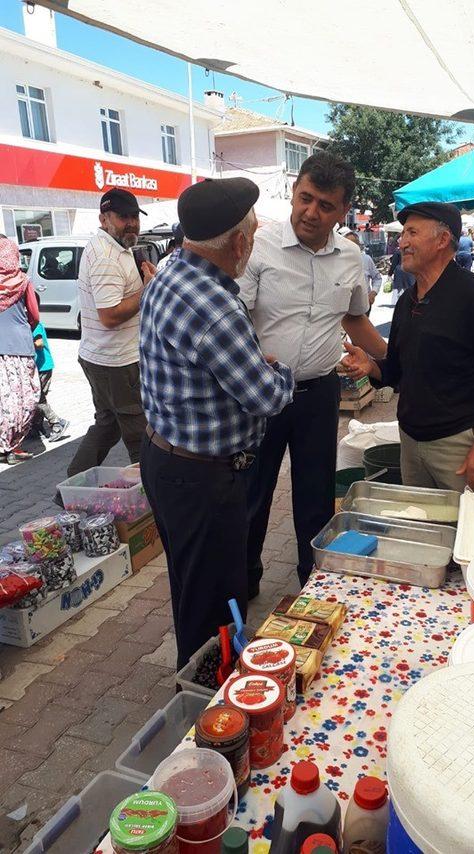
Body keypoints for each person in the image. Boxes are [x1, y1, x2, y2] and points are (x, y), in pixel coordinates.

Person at [139, 178, 294, 668]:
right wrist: (279, 371)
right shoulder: (216, 306)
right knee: (215, 608)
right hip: (203, 479)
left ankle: (196, 684)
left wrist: (250, 364)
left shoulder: (168, 273)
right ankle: (211, 714)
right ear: (240, 243)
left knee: (192, 587)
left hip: (166, 460)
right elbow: (266, 397)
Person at [238, 151, 387, 591]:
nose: (311, 212)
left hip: (320, 394)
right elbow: (237, 315)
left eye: (325, 205)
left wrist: (396, 360)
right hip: (260, 394)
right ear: (294, 192)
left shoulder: (350, 257)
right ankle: (244, 582)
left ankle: (315, 582)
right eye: (305, 198)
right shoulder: (258, 247)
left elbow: (356, 319)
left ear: (343, 211)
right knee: (252, 493)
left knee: (316, 496)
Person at [341, 202, 474, 493]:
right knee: (425, 525)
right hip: (411, 443)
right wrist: (371, 366)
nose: (402, 242)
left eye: (412, 232)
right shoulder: (407, 301)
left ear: (442, 240)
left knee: (470, 530)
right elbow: (399, 370)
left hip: (459, 445)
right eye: (403, 234)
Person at [67, 188, 154, 478]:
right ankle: (150, 505)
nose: (131, 223)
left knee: (107, 425)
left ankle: (70, 487)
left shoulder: (115, 246)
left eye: (134, 217)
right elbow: (110, 315)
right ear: (104, 219)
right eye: (122, 217)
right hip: (116, 362)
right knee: (140, 436)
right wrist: (148, 291)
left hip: (101, 357)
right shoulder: (107, 255)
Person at [0, 237, 40, 465]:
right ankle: (14, 446)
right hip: (19, 346)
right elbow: (34, 315)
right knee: (23, 397)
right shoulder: (22, 281)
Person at [31, 321, 70, 441]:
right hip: (38, 367)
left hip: (43, 367)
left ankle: (57, 422)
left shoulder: (34, 324)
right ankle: (37, 427)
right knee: (38, 398)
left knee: (37, 398)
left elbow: (39, 343)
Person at [339, 227, 382, 312]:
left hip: (364, 303)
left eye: (354, 244)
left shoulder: (366, 259)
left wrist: (373, 293)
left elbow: (377, 278)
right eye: (347, 244)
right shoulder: (338, 260)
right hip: (343, 306)